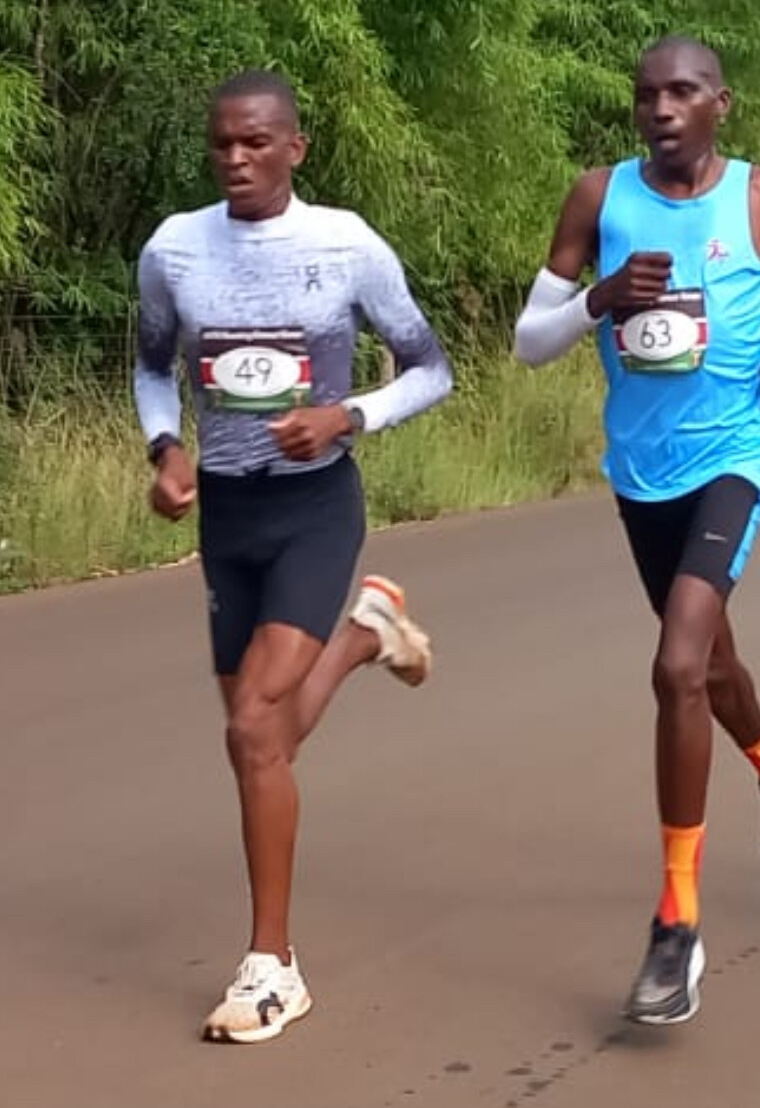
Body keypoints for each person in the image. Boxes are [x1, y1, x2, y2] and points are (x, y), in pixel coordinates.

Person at [514, 35, 760, 1025]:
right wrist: (599, 300)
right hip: (643, 468)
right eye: (646, 94)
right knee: (711, 665)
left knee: (676, 664)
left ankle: (676, 923)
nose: (661, 108)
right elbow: (529, 342)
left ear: (719, 104)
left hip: (740, 450)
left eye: (682, 92)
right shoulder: (597, 198)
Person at [134, 70, 452, 1043]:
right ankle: (364, 636)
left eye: (256, 142)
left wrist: (346, 415)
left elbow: (432, 368)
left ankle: (272, 966)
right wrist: (166, 450)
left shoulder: (346, 245)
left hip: (316, 507)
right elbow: (152, 366)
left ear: (295, 148)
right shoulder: (174, 249)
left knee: (251, 733)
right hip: (226, 517)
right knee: (261, 740)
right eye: (222, 143)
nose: (236, 159)